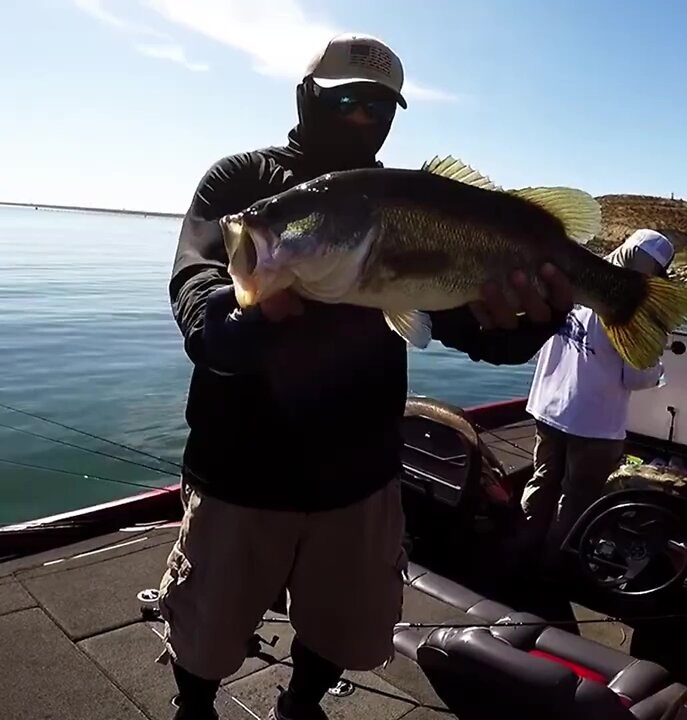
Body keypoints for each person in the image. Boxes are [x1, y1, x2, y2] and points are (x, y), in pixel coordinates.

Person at [162, 32, 576, 720]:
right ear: (307, 97)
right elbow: (198, 284)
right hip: (240, 473)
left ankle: (302, 702)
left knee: (341, 625)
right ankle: (195, 706)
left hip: (361, 479)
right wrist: (234, 319)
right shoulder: (242, 183)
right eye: (346, 99)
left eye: (380, 107)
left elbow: (479, 333)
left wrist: (527, 320)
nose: (362, 119)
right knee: (206, 628)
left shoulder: (416, 205)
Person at [518, 229, 676, 573]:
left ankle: (522, 546)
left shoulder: (573, 280)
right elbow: (636, 377)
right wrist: (658, 366)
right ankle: (551, 567)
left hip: (547, 407)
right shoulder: (634, 305)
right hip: (594, 422)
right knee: (577, 496)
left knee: (542, 479)